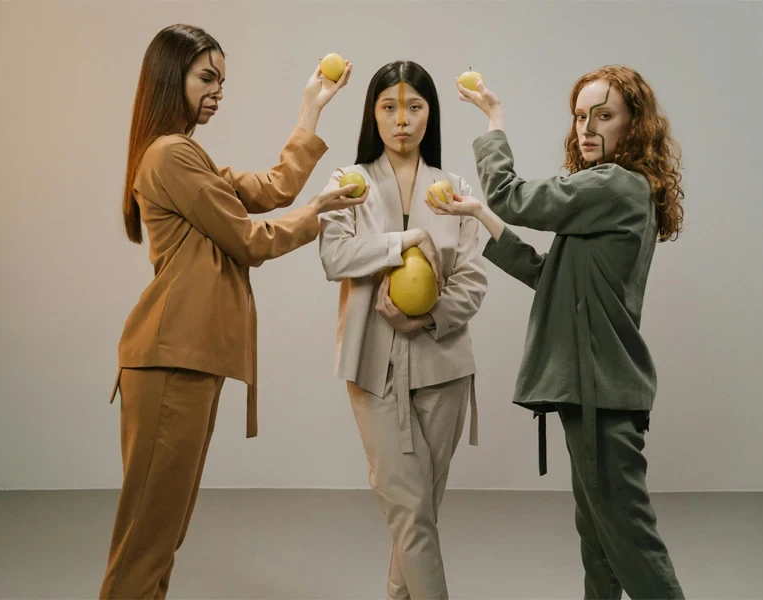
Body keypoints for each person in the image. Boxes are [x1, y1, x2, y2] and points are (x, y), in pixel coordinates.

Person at [99, 24, 366, 599]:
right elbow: (249, 239)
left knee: (161, 536)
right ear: (171, 78)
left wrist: (310, 107)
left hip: (185, 359)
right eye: (206, 77)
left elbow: (271, 190)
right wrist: (321, 210)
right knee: (147, 541)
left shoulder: (186, 154)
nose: (218, 90)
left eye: (221, 79)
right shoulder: (171, 155)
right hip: (171, 360)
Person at [428, 65, 686, 599]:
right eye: (579, 116)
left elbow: (510, 194)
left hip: (600, 393)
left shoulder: (614, 184)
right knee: (601, 544)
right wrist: (479, 216)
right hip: (595, 393)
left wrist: (493, 119)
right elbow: (548, 276)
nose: (586, 127)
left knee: (630, 544)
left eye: (603, 115)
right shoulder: (606, 196)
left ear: (633, 126)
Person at [317, 60, 487, 600]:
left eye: (414, 107)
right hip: (373, 369)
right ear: (373, 114)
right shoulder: (350, 183)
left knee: (417, 516)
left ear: (430, 114)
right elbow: (334, 255)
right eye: (389, 107)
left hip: (444, 369)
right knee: (409, 510)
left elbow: (473, 279)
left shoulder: (454, 188)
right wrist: (403, 242)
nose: (402, 120)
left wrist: (427, 316)